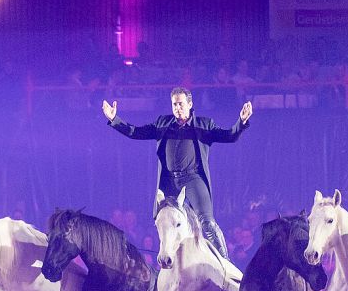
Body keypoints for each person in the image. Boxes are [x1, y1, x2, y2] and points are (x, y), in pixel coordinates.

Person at [102, 88, 253, 258]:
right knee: (164, 220)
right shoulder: (163, 123)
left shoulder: (204, 124)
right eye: (174, 104)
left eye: (181, 104)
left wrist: (241, 122)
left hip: (193, 178)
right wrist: (114, 119)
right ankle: (167, 261)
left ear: (190, 104)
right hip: (170, 181)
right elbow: (135, 132)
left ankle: (225, 264)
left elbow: (229, 136)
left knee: (208, 223)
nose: (177, 107)